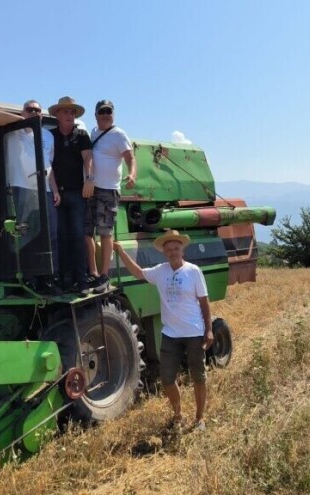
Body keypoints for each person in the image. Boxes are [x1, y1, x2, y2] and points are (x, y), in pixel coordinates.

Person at [112, 230, 213, 432]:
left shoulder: (193, 271)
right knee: (167, 379)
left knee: (198, 377)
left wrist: (209, 330)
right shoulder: (160, 271)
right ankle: (178, 415)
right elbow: (138, 272)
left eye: (176, 248)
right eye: (169, 249)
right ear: (164, 252)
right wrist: (121, 252)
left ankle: (200, 418)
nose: (173, 252)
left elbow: (204, 302)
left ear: (182, 250)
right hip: (170, 334)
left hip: (193, 332)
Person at [0, 101, 59, 293]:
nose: (35, 112)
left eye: (37, 110)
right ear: (23, 112)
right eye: (30, 109)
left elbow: (49, 165)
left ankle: (50, 278)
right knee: (26, 233)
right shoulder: (13, 130)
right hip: (22, 187)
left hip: (45, 190)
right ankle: (28, 277)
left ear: (42, 115)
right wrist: (24, 121)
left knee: (50, 234)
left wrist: (55, 189)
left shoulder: (48, 136)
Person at [86, 100, 137, 293]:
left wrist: (132, 175)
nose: (106, 115)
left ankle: (105, 274)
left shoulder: (118, 134)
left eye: (109, 111)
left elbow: (131, 158)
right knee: (87, 230)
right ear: (96, 114)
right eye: (102, 112)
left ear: (113, 114)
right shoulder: (93, 133)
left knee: (105, 232)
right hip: (90, 189)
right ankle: (93, 272)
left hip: (108, 190)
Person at [48, 96, 94, 294]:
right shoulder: (50, 137)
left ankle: (82, 281)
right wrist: (55, 189)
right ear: (57, 114)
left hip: (77, 193)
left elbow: (88, 159)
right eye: (66, 111)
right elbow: (48, 165)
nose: (70, 115)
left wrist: (90, 179)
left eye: (72, 112)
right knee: (61, 237)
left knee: (77, 235)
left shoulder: (82, 135)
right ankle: (65, 280)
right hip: (58, 194)